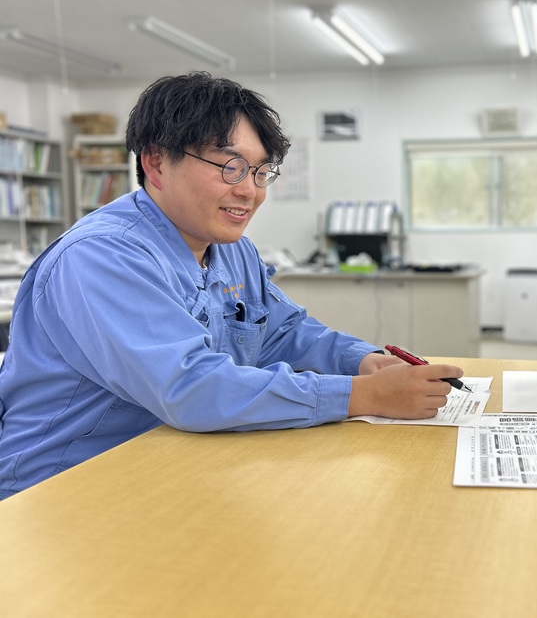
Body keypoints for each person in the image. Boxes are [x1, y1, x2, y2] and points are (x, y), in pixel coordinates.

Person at [0, 72, 461, 500]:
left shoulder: (231, 248)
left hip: (172, 463)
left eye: (261, 172)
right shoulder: (101, 256)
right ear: (156, 163)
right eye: (231, 167)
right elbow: (190, 388)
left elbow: (282, 332)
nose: (251, 191)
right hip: (62, 486)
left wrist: (362, 362)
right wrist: (363, 396)